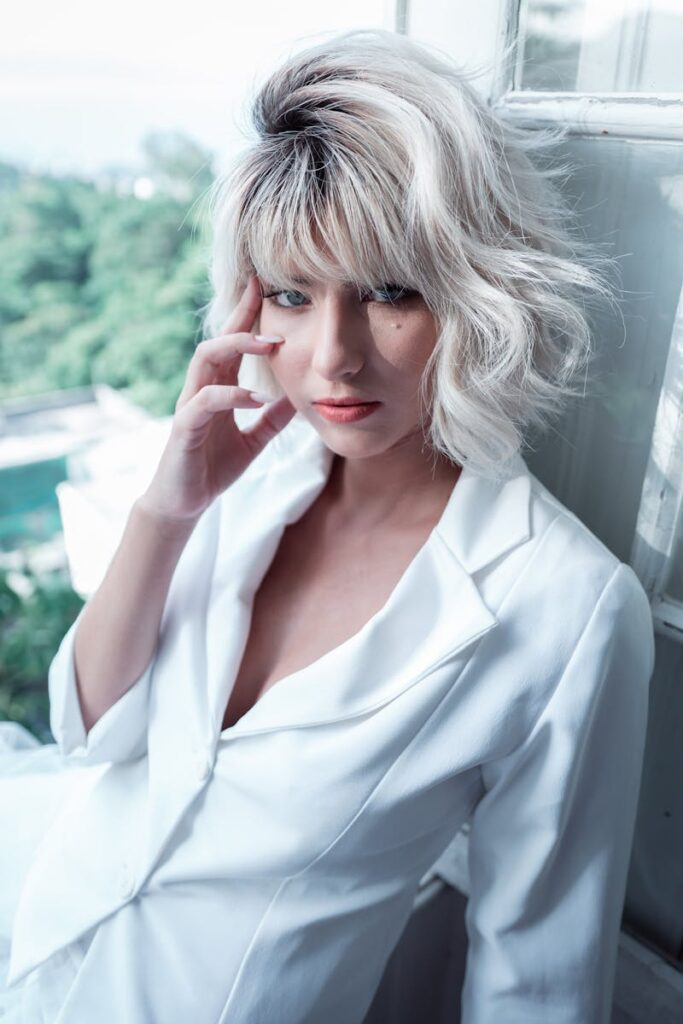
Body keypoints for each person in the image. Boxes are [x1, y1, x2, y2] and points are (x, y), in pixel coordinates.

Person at [0, 28, 655, 1024]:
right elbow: (84, 728)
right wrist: (164, 514)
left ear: (476, 292)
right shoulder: (241, 480)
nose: (331, 357)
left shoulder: (564, 606)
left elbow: (539, 977)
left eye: (391, 292)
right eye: (294, 296)